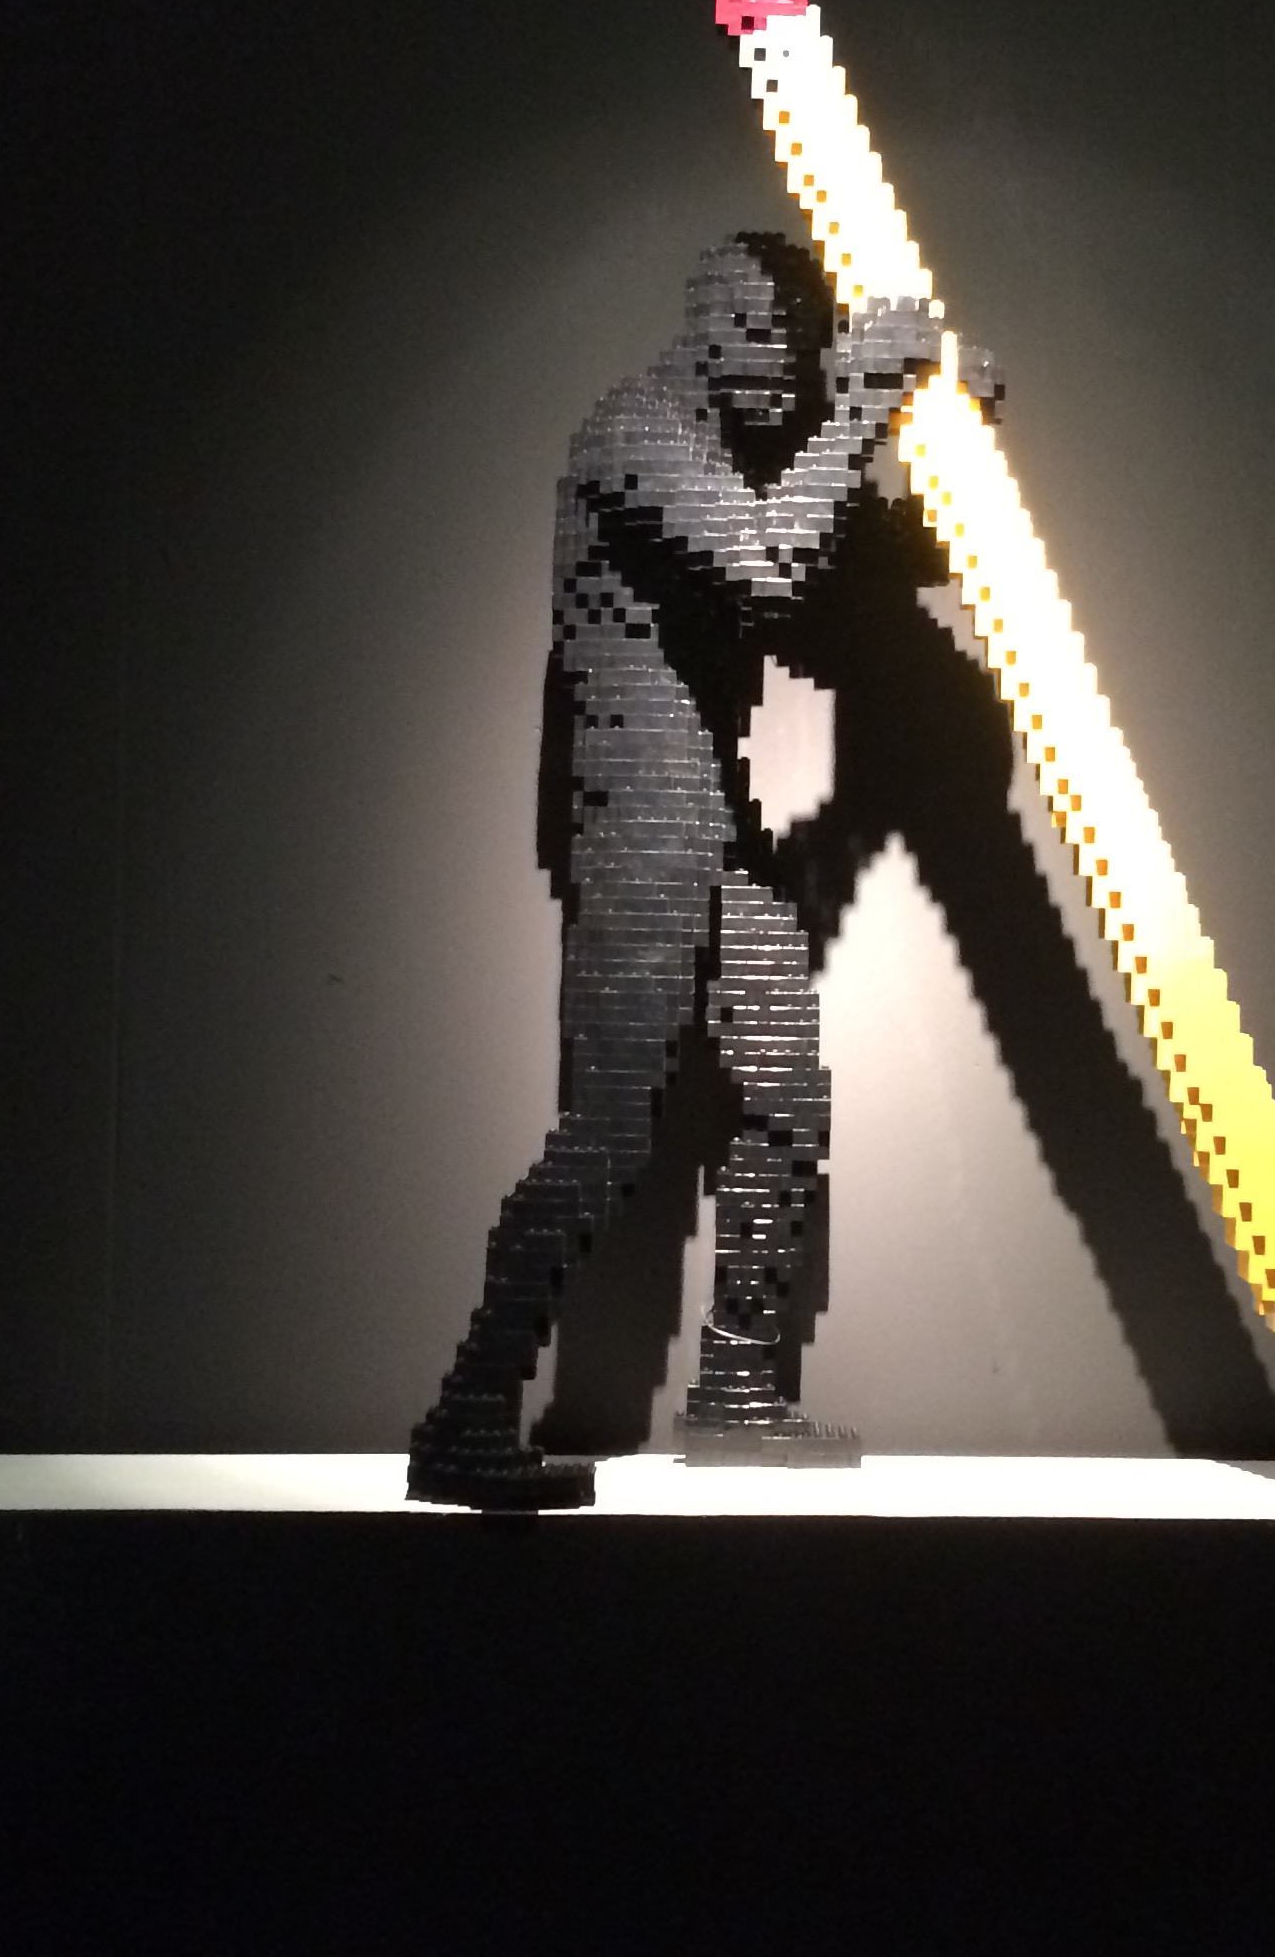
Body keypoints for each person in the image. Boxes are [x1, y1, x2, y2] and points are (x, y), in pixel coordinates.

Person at [407, 231, 1001, 1509]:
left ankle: (736, 1388)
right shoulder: (635, 435)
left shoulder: (734, 444)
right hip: (637, 823)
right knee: (612, 1128)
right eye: (783, 347)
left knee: (784, 1094)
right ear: (725, 327)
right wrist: (863, 404)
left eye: (811, 355)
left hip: (711, 822)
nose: (797, 377)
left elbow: (855, 554)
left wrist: (957, 447)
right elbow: (772, 564)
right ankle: (466, 1413)